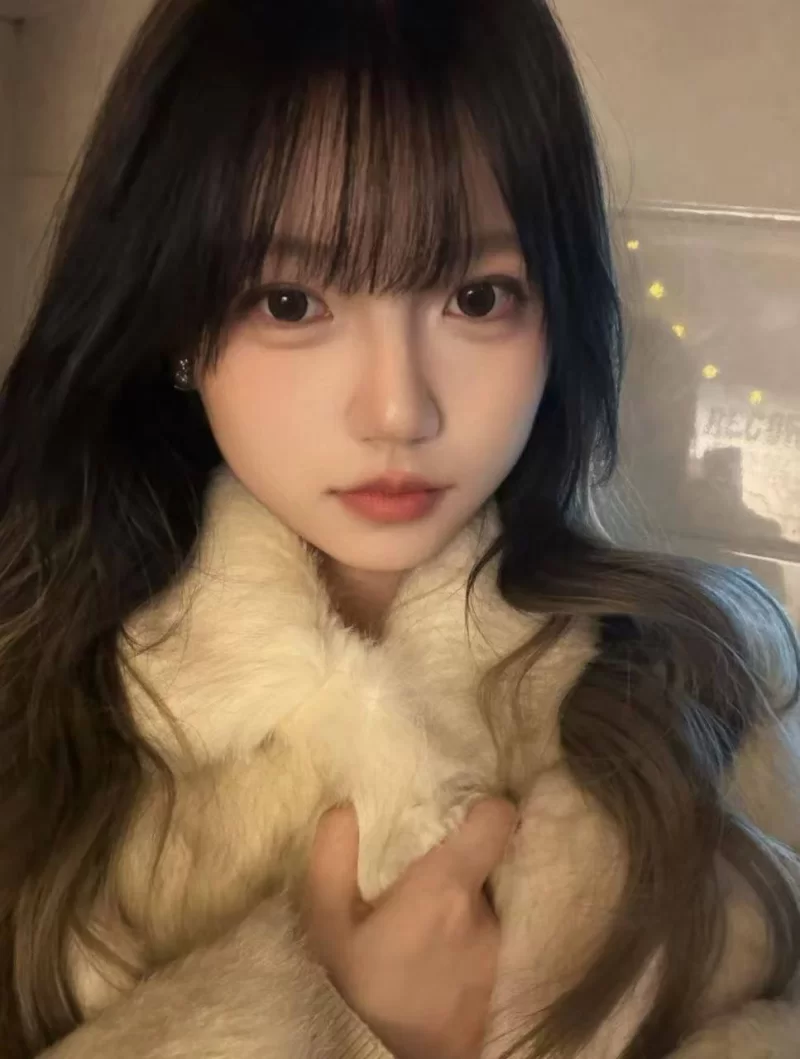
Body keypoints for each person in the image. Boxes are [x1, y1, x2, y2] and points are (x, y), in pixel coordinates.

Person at [0, 1, 798, 1057]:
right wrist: (337, 1024)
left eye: (478, 296)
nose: (397, 409)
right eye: (290, 302)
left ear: (556, 315)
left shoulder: (702, 679)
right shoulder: (31, 694)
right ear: (177, 324)